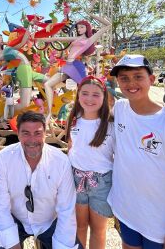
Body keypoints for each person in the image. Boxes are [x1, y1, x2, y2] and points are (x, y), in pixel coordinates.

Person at [108, 54, 165, 249]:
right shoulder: (120, 109)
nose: (131, 83)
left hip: (160, 222)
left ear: (151, 80)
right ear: (117, 81)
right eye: (124, 78)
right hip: (127, 212)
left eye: (138, 77)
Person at [0, 111, 82, 249]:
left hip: (50, 222)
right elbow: (0, 205)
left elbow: (66, 210)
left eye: (37, 133)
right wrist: (12, 244)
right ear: (18, 134)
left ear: (45, 133)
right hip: (16, 220)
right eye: (26, 133)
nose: (32, 140)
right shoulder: (4, 158)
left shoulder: (61, 162)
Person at [36, 1, 111, 121]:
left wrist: (90, 14)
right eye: (78, 27)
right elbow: (58, 38)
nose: (79, 29)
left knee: (85, 90)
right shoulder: (76, 38)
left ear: (87, 28)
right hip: (68, 65)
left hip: (76, 66)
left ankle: (95, 113)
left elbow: (108, 25)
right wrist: (40, 37)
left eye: (82, 27)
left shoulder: (90, 39)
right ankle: (49, 114)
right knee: (48, 84)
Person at [65, 76, 114, 248]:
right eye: (85, 93)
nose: (89, 99)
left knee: (98, 229)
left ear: (104, 96)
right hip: (75, 178)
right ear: (78, 95)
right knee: (79, 226)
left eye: (96, 95)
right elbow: (71, 145)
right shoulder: (74, 118)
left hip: (102, 182)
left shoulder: (111, 123)